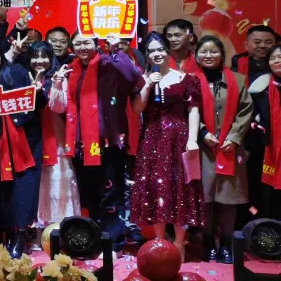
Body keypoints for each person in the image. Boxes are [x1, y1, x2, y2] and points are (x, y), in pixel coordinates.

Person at [130, 31, 205, 261]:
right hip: (151, 140)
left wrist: (192, 139)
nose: (156, 54)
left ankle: (180, 243)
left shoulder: (187, 79)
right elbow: (137, 109)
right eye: (151, 51)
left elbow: (193, 110)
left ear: (167, 51)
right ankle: (160, 242)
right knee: (156, 190)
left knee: (181, 189)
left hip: (179, 139)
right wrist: (147, 85)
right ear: (146, 55)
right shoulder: (142, 79)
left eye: (160, 49)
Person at [64, 31, 142, 253]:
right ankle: (94, 240)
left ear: (96, 43)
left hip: (108, 141)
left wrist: (117, 50)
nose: (82, 47)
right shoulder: (72, 69)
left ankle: (113, 242)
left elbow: (134, 78)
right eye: (78, 43)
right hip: (82, 143)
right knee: (90, 195)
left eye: (87, 42)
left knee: (111, 194)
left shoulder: (110, 63)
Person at [0, 41, 46, 259]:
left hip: (26, 143)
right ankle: (6, 233)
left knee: (24, 190)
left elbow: (39, 104)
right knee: (2, 193)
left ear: (1, 54)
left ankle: (20, 236)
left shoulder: (17, 72)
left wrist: (38, 92)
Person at [193, 36, 254, 264]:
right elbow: (186, 110)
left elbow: (245, 110)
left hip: (230, 148)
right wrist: (202, 133)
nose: (208, 56)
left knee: (229, 198)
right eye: (203, 51)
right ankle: (209, 243)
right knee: (206, 198)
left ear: (222, 55)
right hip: (203, 148)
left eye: (213, 51)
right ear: (196, 55)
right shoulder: (190, 80)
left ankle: (226, 244)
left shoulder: (237, 80)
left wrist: (234, 137)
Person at [29, 42, 80, 242]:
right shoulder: (24, 77)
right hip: (30, 140)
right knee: (35, 188)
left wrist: (57, 83)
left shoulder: (58, 78)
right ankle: (36, 235)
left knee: (56, 187)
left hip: (54, 139)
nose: (39, 60)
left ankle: (59, 234)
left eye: (44, 56)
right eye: (35, 56)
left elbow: (59, 108)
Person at [233, 25, 277, 226]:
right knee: (247, 180)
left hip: (274, 136)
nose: (262, 46)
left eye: (268, 42)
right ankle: (246, 224)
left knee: (271, 182)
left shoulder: (277, 66)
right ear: (246, 45)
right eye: (257, 42)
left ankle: (272, 223)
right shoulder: (237, 66)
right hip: (246, 135)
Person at [249, 44, 281, 220]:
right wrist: (257, 121)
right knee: (270, 192)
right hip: (268, 146)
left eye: (280, 57)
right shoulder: (260, 86)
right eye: (272, 58)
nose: (276, 61)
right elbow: (250, 112)